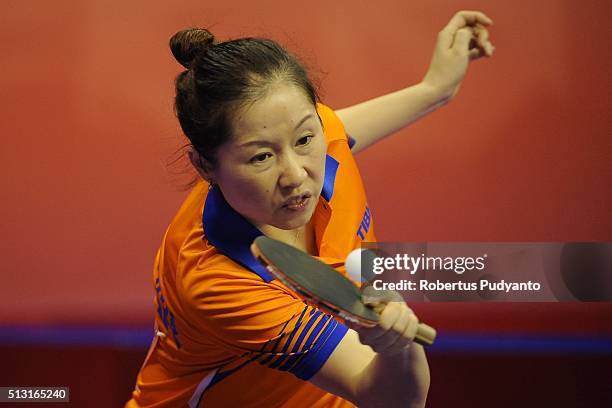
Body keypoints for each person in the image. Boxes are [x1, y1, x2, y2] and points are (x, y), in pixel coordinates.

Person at [126, 10, 495, 408]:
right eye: (261, 158)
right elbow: (387, 398)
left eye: (304, 138)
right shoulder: (219, 281)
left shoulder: (318, 136)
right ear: (205, 166)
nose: (296, 175)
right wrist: (397, 347)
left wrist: (435, 88)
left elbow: (332, 130)